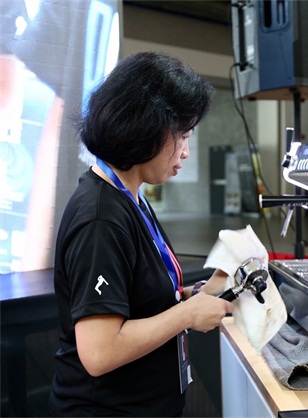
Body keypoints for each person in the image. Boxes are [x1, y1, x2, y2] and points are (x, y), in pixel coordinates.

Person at [48, 52, 234, 417]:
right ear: (145, 128)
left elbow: (135, 299)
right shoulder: (101, 218)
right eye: (182, 135)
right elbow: (99, 352)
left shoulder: (131, 198)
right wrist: (186, 315)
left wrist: (198, 294)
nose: (186, 151)